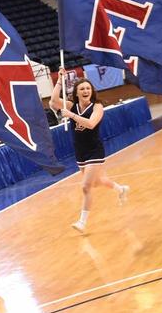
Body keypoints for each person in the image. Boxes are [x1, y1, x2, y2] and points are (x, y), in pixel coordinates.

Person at [51, 75, 129, 233]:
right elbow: (53, 102)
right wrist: (60, 80)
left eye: (88, 88)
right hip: (80, 151)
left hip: (94, 150)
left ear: (92, 91)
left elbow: (91, 124)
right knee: (97, 182)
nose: (85, 91)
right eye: (82, 89)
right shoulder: (72, 105)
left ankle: (82, 222)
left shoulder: (97, 106)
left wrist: (71, 116)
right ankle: (120, 189)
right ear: (76, 93)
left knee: (86, 187)